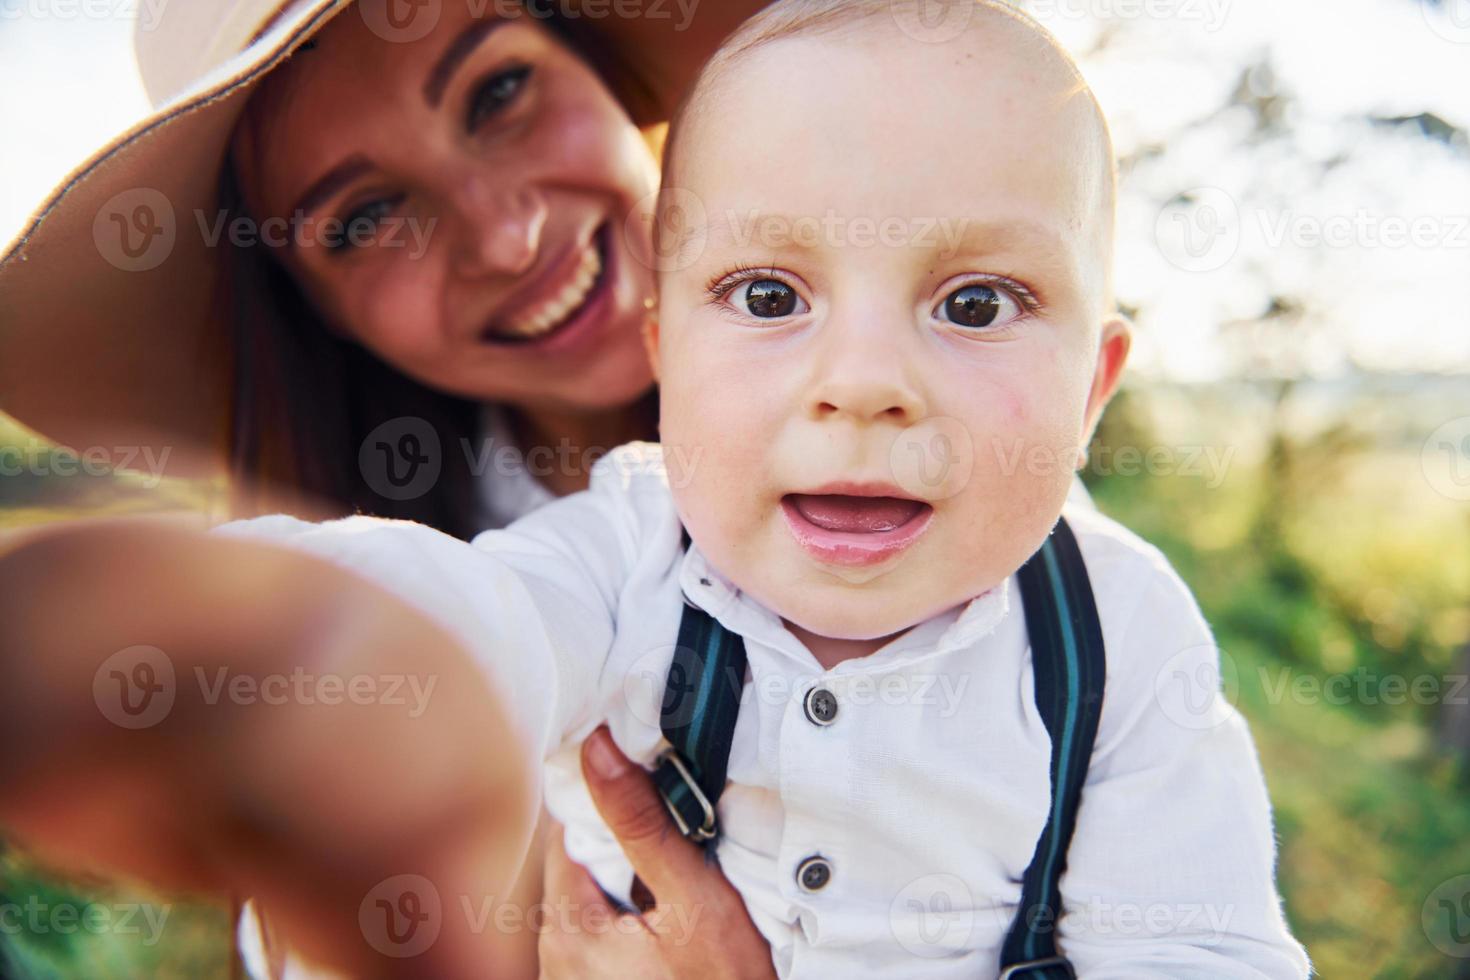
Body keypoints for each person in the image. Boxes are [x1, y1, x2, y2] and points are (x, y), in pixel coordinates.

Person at [0, 0, 1312, 975]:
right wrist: (305, 645)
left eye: (499, 89)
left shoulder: (1107, 640)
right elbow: (480, 617)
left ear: (1096, 381)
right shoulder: (619, 548)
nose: (863, 382)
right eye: (363, 215)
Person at [0, 0, 782, 976]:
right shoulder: (406, 629)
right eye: (366, 216)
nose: (506, 233)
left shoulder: (965, 386)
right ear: (307, 305)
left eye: (499, 92)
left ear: (603, 72)